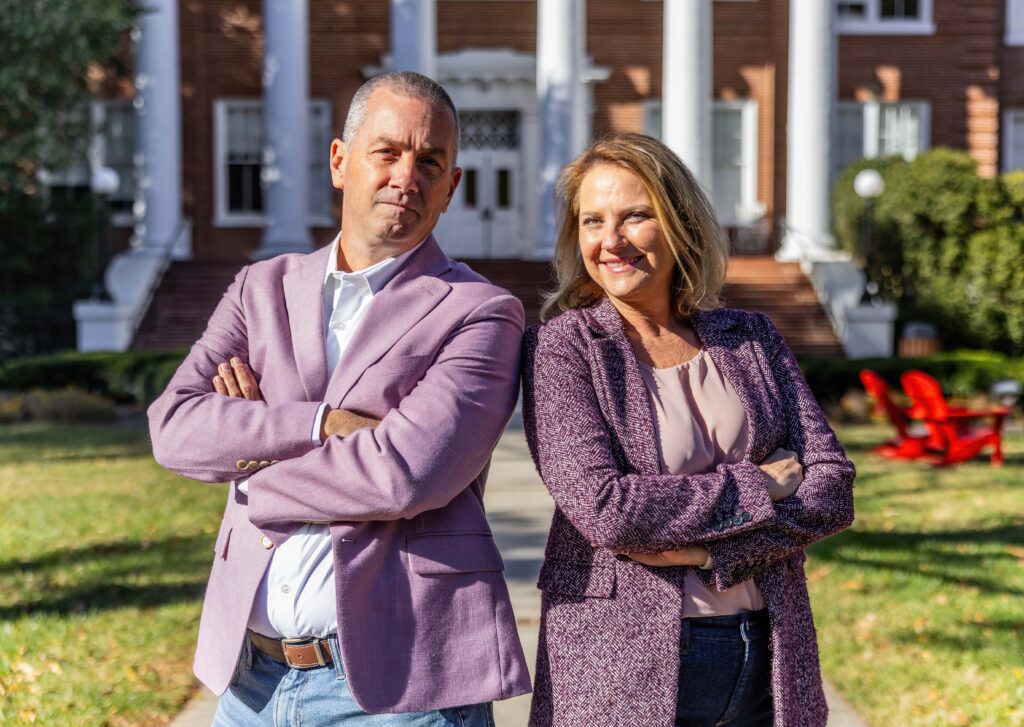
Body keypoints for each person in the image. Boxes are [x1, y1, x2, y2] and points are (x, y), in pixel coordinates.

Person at [148, 71, 531, 726]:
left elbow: (406, 472)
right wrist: (324, 425)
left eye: (429, 160)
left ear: (451, 187)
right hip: (250, 685)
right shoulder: (259, 288)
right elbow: (175, 427)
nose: (406, 175)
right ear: (339, 161)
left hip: (405, 688)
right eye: (387, 151)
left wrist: (251, 469)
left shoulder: (482, 313)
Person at [520, 133, 856, 727]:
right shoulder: (562, 349)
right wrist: (761, 487)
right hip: (621, 661)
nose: (611, 241)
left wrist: (708, 551)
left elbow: (831, 488)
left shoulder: (749, 336)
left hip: (767, 649)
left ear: (678, 223)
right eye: (592, 221)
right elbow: (608, 510)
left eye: (635, 217)